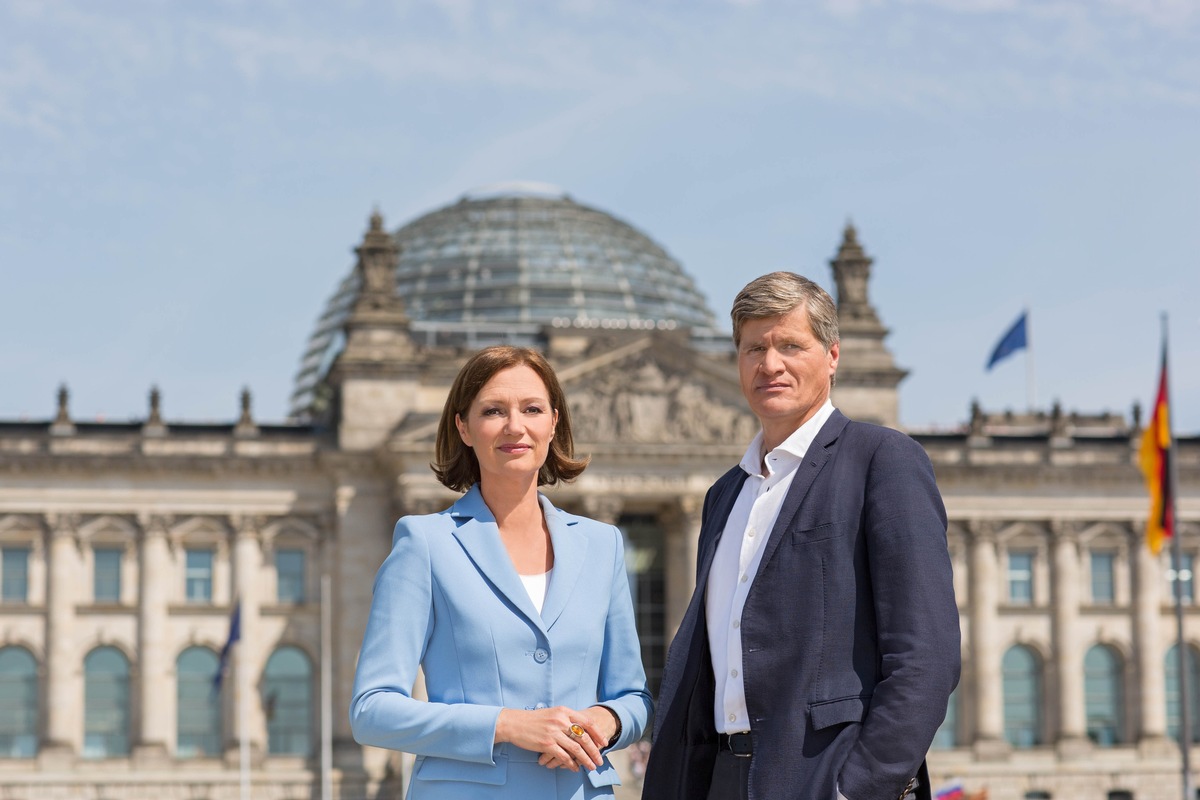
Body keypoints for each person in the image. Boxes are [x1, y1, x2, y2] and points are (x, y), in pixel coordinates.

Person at [642, 273, 960, 800]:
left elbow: (926, 656)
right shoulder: (724, 494)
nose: (770, 365)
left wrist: (857, 788)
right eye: (754, 349)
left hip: (821, 777)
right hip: (722, 778)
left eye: (791, 345)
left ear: (832, 356)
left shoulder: (881, 460)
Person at [350, 345, 653, 799]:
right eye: (493, 410)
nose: (516, 426)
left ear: (554, 421)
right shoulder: (425, 543)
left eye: (531, 409)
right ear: (464, 428)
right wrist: (509, 724)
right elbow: (372, 710)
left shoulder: (601, 544)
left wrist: (607, 721)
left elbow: (634, 698)